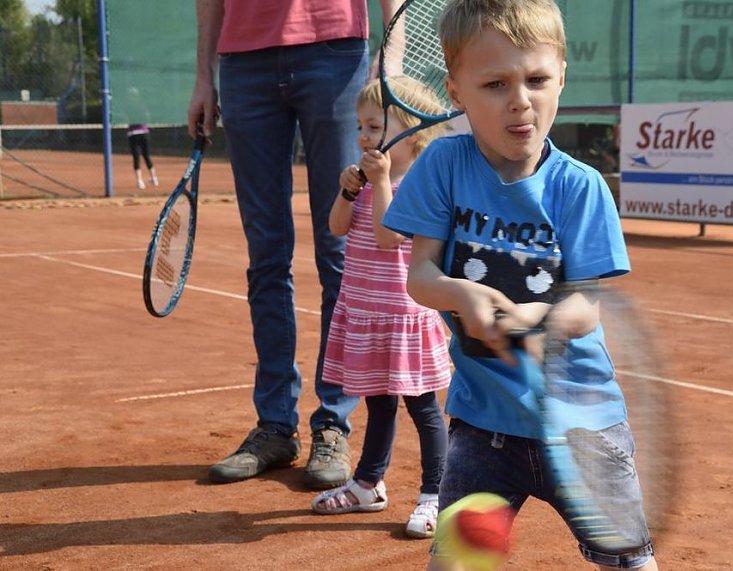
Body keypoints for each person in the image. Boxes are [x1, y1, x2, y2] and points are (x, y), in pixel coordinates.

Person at [381, 0, 660, 569]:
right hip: (484, 429)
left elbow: (585, 305)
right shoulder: (443, 166)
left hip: (583, 427)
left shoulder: (581, 187)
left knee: (629, 562)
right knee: (455, 562)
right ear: (456, 92)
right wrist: (463, 294)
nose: (520, 100)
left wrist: (532, 316)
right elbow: (422, 276)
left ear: (562, 76)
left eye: (536, 79)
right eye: (494, 84)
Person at [187, 0, 404, 490]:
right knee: (266, 254)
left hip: (335, 52)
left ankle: (332, 423)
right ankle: (275, 426)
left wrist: (391, 56)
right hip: (243, 61)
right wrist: (205, 75)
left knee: (341, 251)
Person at [309, 77, 452, 539]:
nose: (363, 136)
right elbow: (335, 227)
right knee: (379, 404)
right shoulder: (369, 180)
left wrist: (381, 179)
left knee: (424, 409)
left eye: (374, 126)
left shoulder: (418, 185)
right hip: (366, 312)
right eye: (360, 126)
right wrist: (349, 191)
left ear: (411, 134)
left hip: (405, 316)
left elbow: (389, 235)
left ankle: (437, 495)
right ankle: (368, 484)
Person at [128, 123, 158, 190]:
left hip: (133, 134)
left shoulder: (130, 112)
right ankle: (154, 178)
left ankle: (140, 181)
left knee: (136, 158)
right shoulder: (143, 112)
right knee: (147, 156)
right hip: (144, 133)